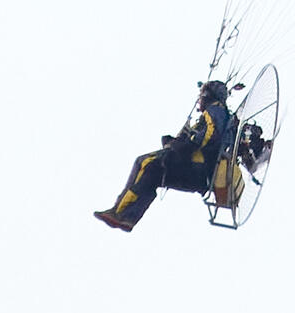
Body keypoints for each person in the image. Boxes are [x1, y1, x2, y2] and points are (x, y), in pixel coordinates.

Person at [94, 79, 240, 232]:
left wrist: (185, 145)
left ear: (208, 95)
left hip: (198, 168)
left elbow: (211, 135)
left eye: (201, 95)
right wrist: (176, 142)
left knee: (147, 163)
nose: (199, 99)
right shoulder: (219, 114)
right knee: (151, 173)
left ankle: (120, 213)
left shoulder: (215, 110)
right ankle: (126, 217)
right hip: (200, 175)